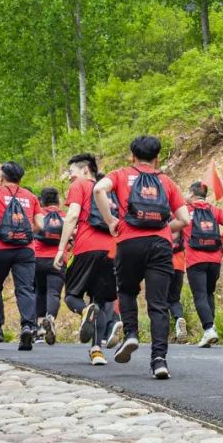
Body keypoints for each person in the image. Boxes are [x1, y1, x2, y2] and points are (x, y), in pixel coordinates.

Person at [94, 137, 191, 379]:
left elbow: (98, 189)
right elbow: (184, 219)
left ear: (132, 156)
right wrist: (165, 228)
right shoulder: (166, 181)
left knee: (127, 290)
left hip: (129, 242)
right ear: (157, 158)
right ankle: (159, 360)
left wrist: (110, 220)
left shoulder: (120, 174)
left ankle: (131, 334)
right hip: (160, 245)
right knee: (158, 304)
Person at [55, 153, 119, 366]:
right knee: (98, 301)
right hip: (110, 251)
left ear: (85, 170)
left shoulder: (81, 185)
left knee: (71, 295)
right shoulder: (108, 191)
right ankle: (97, 351)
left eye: (71, 172)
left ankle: (84, 311)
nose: (69, 177)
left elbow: (72, 215)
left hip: (85, 248)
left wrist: (61, 248)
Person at [0, 161, 39, 350]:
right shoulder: (30, 196)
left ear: (2, 177)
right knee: (25, 288)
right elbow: (40, 224)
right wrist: (26, 234)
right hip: (26, 249)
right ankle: (28, 326)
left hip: (1, 248)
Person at [183, 182, 223, 348]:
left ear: (192, 194)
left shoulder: (186, 211)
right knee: (209, 293)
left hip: (195, 260)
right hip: (215, 260)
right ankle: (211, 327)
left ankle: (209, 329)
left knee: (200, 295)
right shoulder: (215, 210)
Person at [34, 187, 67, 344]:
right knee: (53, 293)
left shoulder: (38, 215)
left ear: (41, 201)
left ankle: (40, 329)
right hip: (57, 259)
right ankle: (50, 318)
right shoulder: (65, 217)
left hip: (37, 258)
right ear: (58, 201)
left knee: (39, 292)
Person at [169, 230, 188, 342]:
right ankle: (179, 318)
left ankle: (161, 332)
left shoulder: (161, 222)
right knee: (174, 299)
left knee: (160, 301)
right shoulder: (181, 224)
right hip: (179, 266)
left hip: (163, 265)